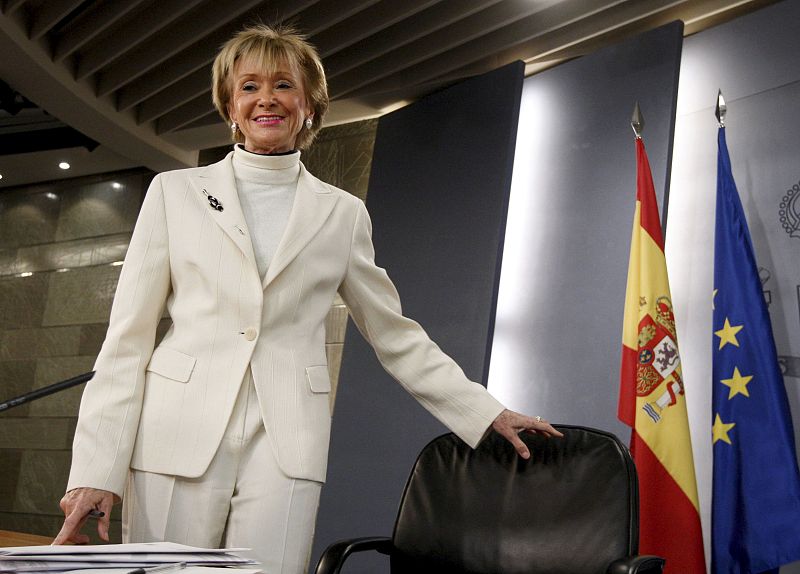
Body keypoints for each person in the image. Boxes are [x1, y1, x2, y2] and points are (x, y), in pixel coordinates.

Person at [54, 24, 562, 573]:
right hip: (174, 432)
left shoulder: (342, 214)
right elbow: (126, 341)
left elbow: (395, 336)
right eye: (249, 86)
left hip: (288, 441)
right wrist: (95, 471)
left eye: (283, 85)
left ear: (310, 106)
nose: (266, 99)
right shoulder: (174, 194)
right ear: (230, 105)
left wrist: (486, 412)